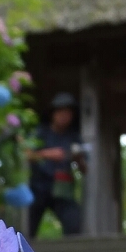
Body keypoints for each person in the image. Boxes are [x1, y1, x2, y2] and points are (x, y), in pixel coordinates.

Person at [26, 92, 86, 236]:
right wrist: (47, 154)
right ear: (53, 113)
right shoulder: (40, 132)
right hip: (39, 186)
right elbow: (27, 154)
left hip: (62, 188)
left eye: (68, 112)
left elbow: (84, 169)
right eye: (61, 111)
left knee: (74, 222)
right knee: (28, 227)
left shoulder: (74, 137)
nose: (64, 115)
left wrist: (78, 158)